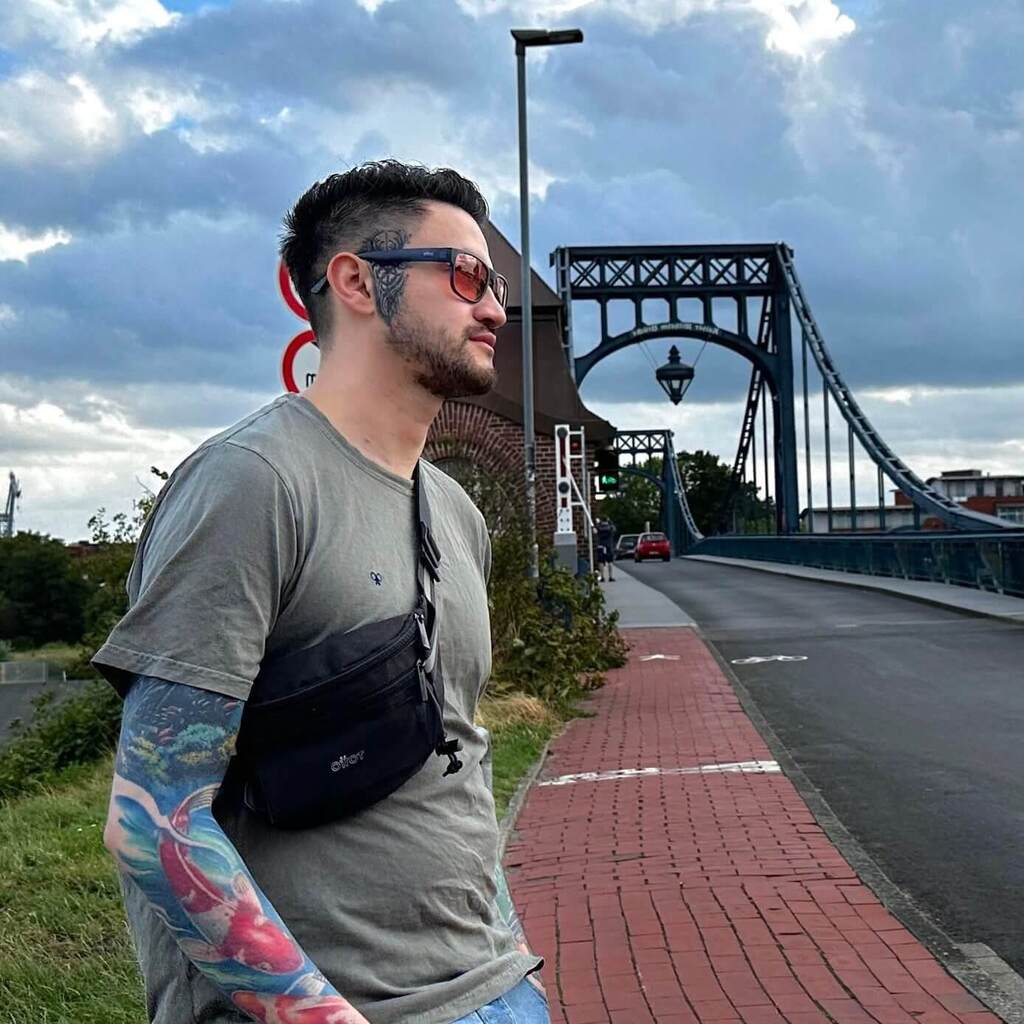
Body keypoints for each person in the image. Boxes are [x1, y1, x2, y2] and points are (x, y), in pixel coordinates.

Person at [94, 161, 548, 1024]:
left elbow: (458, 749)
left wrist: (509, 962)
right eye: (465, 275)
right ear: (356, 282)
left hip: (495, 988)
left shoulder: (455, 512)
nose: (495, 308)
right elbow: (155, 820)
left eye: (495, 284)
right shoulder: (254, 483)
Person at [595, 517, 617, 582]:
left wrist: (597, 524)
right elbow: (614, 530)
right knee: (610, 561)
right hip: (609, 545)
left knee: (601, 561)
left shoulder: (598, 527)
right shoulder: (611, 527)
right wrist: (611, 522)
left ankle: (602, 577)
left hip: (601, 545)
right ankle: (610, 577)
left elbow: (595, 532)